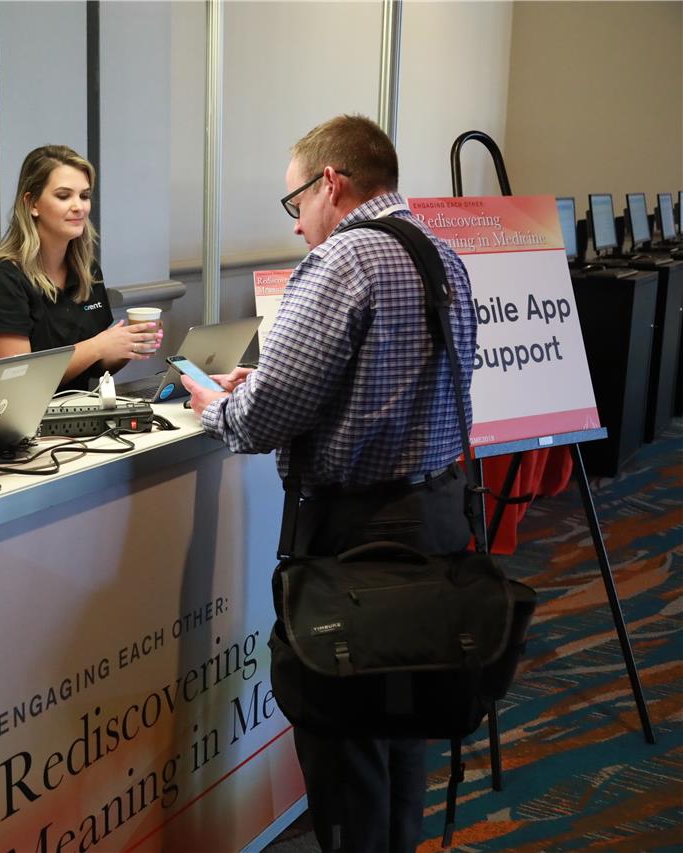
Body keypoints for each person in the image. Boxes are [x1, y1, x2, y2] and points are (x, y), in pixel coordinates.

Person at [180, 115, 477, 853]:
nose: (296, 223)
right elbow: (388, 387)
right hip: (435, 523)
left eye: (296, 202)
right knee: (403, 726)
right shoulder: (442, 254)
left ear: (331, 183)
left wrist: (216, 404)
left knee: (345, 747)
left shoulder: (341, 262)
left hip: (356, 546)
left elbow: (260, 422)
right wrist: (267, 383)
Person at [0, 145, 161, 393]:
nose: (79, 206)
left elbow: (96, 365)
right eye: (63, 196)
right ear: (32, 203)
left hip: (78, 408)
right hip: (17, 414)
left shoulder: (87, 271)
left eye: (84, 196)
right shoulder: (0, 279)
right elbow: (16, 382)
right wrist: (98, 346)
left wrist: (128, 345)